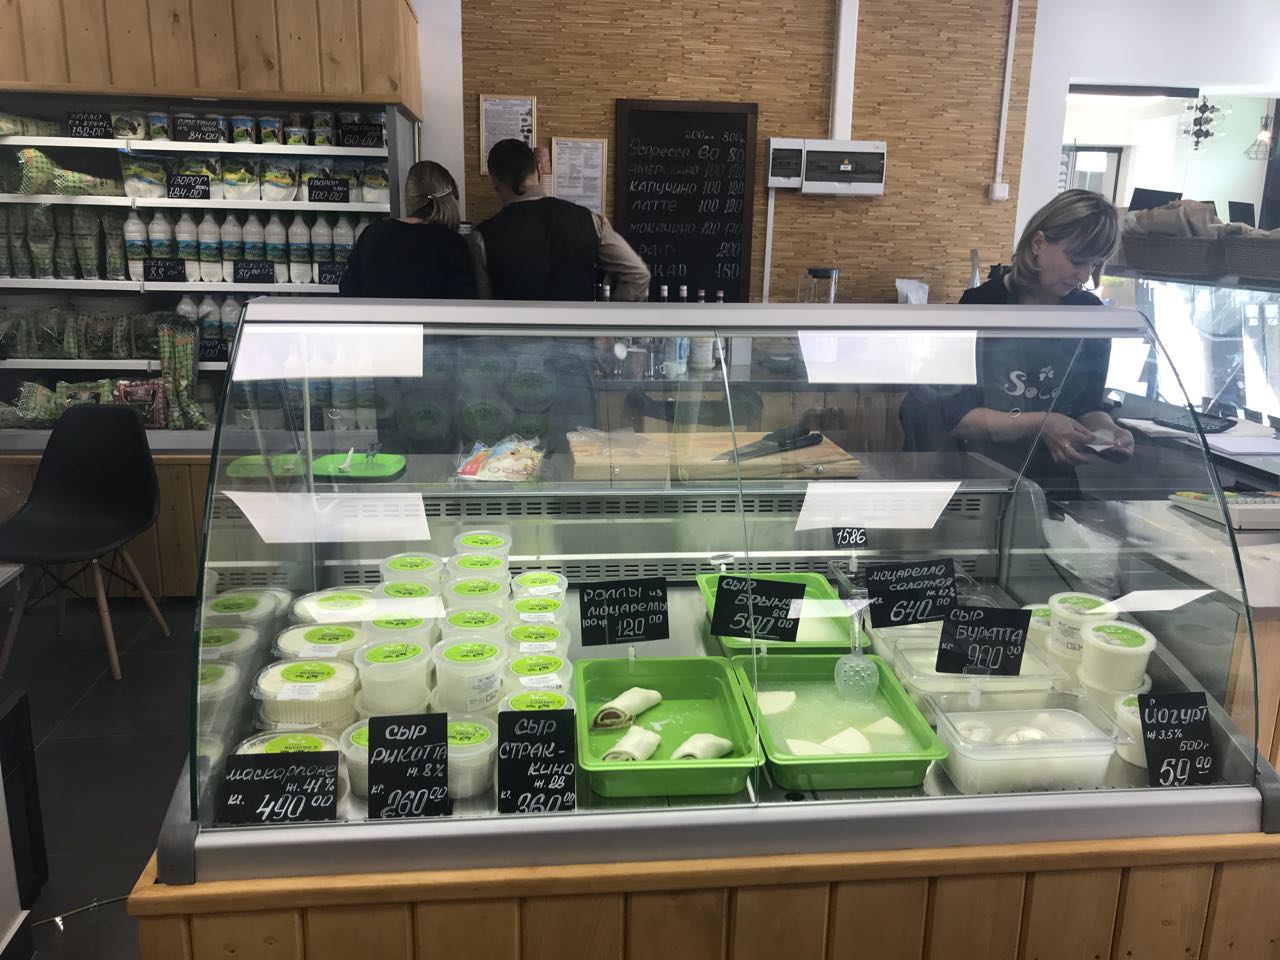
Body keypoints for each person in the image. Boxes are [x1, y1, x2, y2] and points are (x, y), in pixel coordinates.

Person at [900, 189, 1133, 494]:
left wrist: (1108, 431)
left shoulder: (1089, 315)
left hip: (1052, 488)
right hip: (981, 482)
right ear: (1038, 243)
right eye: (1076, 260)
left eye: (1095, 265)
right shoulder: (982, 305)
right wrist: (1040, 423)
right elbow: (951, 417)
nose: (1084, 276)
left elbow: (1087, 407)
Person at [475, 139, 650, 301]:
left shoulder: (482, 237)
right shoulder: (590, 220)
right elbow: (638, 274)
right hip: (579, 325)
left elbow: (484, 307)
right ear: (539, 171)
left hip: (515, 326)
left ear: (495, 181)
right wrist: (605, 318)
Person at [339, 161, 475, 298]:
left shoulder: (372, 234)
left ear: (409, 197)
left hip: (377, 313)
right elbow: (464, 302)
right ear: (452, 198)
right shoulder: (452, 244)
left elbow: (348, 291)